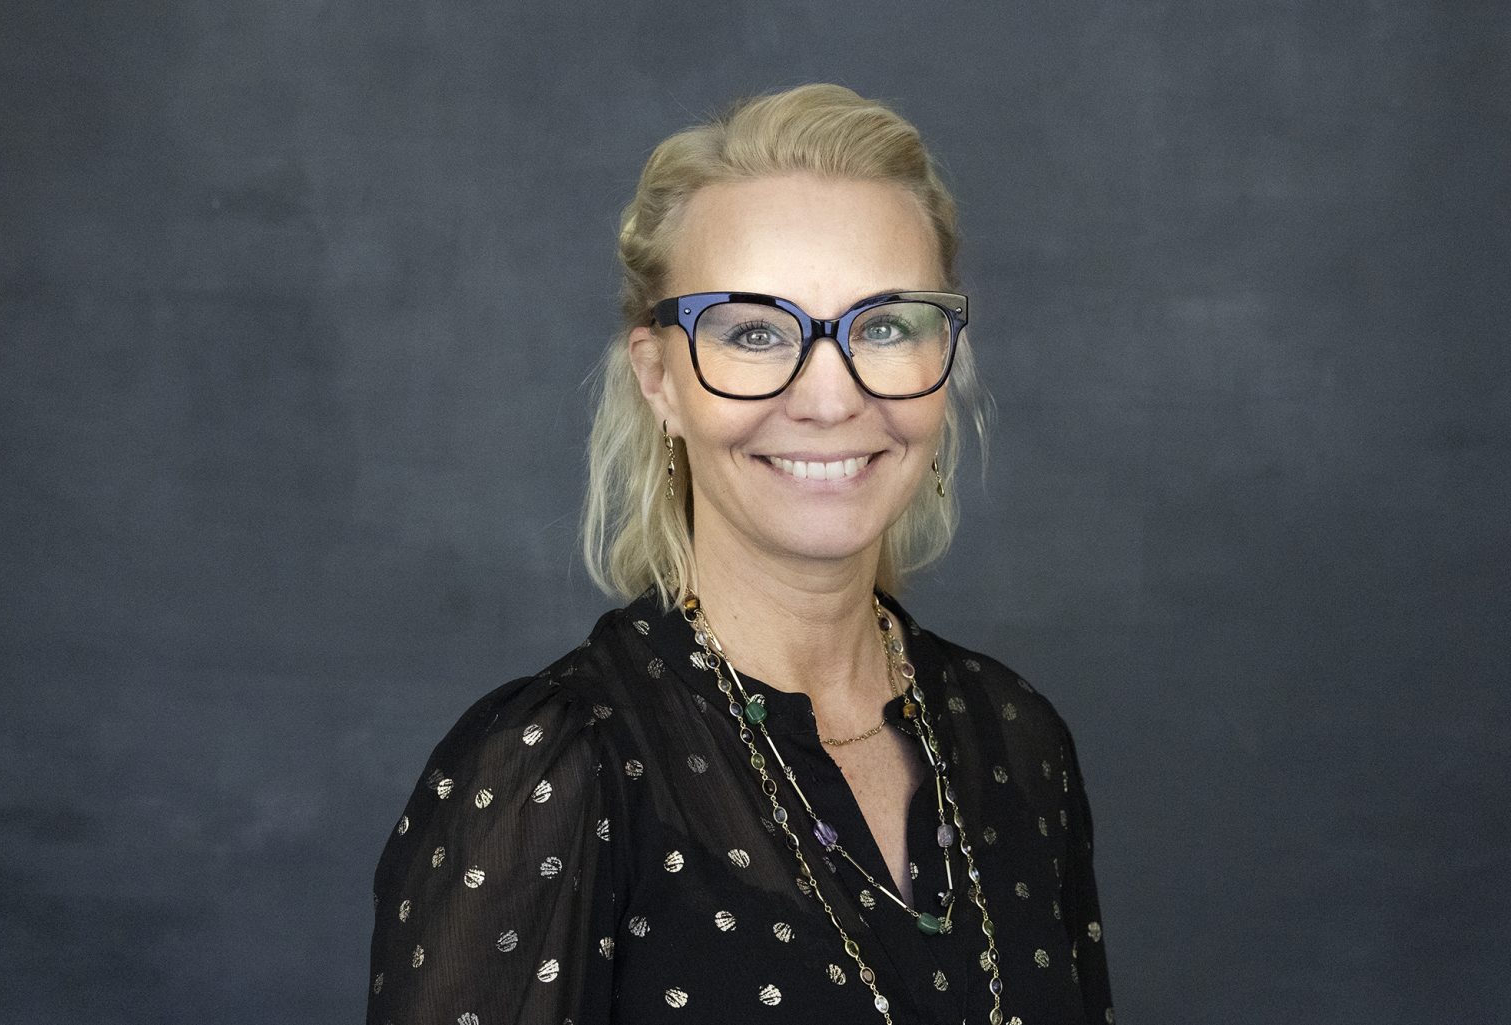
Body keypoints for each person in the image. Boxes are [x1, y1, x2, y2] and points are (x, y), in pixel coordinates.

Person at [367, 83, 1114, 1025]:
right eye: (756, 332)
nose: (830, 399)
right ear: (659, 379)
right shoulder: (551, 770)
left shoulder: (1016, 739)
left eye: (885, 325)